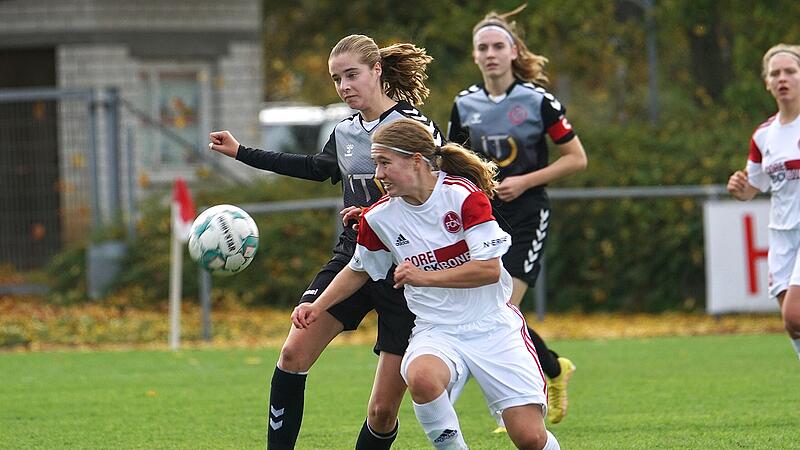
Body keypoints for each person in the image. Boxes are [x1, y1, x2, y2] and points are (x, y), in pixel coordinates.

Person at [208, 34, 443, 450]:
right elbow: (315, 168)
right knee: (293, 354)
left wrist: (378, 214)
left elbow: (437, 197)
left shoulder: (415, 129)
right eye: (337, 79)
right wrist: (242, 152)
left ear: (377, 72)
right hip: (352, 261)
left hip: (406, 273)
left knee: (382, 412)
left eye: (352, 75)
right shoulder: (346, 131)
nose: (345, 86)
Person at [293, 118, 561, 450]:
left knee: (530, 438)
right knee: (420, 375)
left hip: (493, 328)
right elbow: (358, 269)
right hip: (437, 330)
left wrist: (424, 277)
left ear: (416, 161)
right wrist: (316, 306)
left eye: (384, 162)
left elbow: (489, 270)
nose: (377, 174)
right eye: (376, 163)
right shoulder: (378, 218)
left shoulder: (463, 197)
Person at [447, 6, 588, 426]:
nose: (490, 54)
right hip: (483, 217)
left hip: (527, 214)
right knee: (497, 311)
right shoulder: (464, 103)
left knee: (502, 308)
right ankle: (551, 369)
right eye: (482, 48)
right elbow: (452, 163)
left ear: (513, 51)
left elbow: (576, 159)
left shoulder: (537, 100)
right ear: (474, 56)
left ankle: (526, 399)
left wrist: (526, 182)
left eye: (497, 46)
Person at [728, 43, 800, 362]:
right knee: (794, 326)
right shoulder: (763, 135)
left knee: (794, 315)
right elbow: (752, 186)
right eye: (775, 73)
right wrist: (739, 186)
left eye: (790, 72)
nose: (782, 78)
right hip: (782, 236)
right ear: (767, 83)